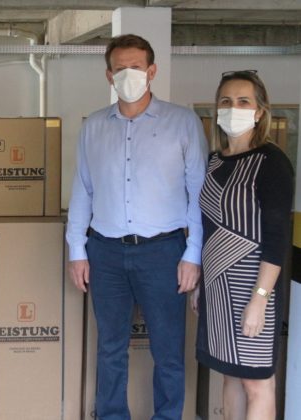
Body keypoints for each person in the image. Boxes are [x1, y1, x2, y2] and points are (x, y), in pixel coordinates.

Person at [66, 34, 208, 419]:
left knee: (168, 350)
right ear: (108, 75)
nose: (128, 74)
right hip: (106, 251)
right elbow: (83, 190)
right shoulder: (94, 126)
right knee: (110, 348)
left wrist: (193, 253)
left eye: (136, 67)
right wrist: (77, 250)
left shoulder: (182, 123)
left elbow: (199, 193)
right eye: (120, 68)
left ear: (152, 71)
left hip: (164, 251)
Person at [194, 70, 294, 419]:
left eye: (243, 101)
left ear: (259, 111)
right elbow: (208, 228)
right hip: (217, 287)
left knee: (257, 381)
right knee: (230, 374)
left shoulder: (271, 162)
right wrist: (201, 283)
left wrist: (260, 299)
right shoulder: (214, 161)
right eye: (226, 101)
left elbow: (276, 237)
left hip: (252, 287)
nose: (233, 107)